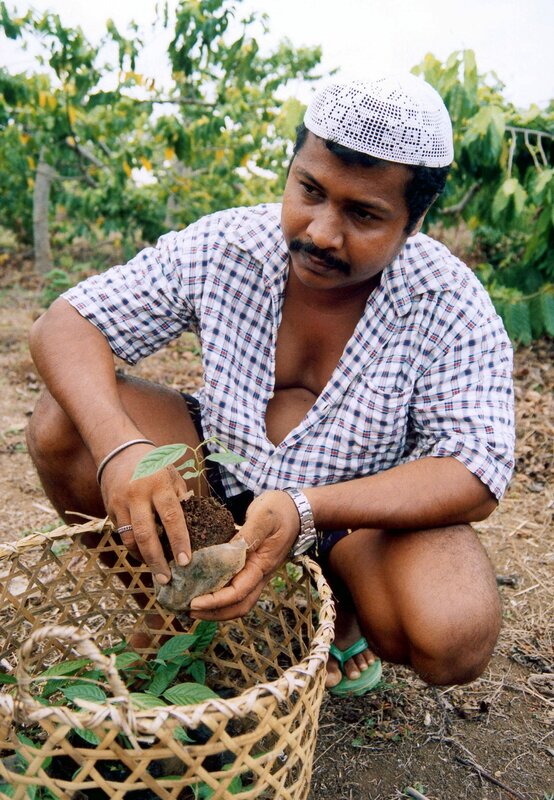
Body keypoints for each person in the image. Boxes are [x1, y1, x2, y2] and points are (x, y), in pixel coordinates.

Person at [26, 73, 515, 696]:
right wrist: (123, 448)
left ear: (414, 220)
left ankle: (338, 609)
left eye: (363, 214)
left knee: (452, 631)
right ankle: (177, 606)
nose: (321, 233)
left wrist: (307, 508)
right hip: (219, 478)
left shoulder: (447, 300)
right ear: (290, 169)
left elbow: (475, 469)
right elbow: (65, 324)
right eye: (310, 191)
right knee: (64, 425)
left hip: (354, 519)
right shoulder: (228, 246)